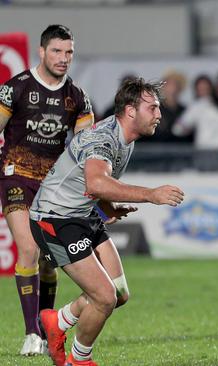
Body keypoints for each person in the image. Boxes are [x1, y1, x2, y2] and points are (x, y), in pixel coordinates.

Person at [32, 77, 185, 366]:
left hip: (82, 215)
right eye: (152, 108)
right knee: (104, 297)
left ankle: (58, 321)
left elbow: (92, 186)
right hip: (55, 218)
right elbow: (97, 182)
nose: (159, 114)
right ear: (130, 111)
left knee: (119, 294)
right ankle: (79, 360)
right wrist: (151, 194)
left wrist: (108, 208)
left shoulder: (126, 139)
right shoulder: (102, 139)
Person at [0, 24, 94, 356]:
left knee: (49, 262)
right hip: (16, 177)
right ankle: (31, 334)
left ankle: (44, 325)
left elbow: (87, 151)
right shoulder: (16, 88)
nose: (63, 58)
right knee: (28, 248)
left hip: (53, 188)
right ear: (41, 52)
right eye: (56, 51)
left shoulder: (78, 98)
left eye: (69, 52)